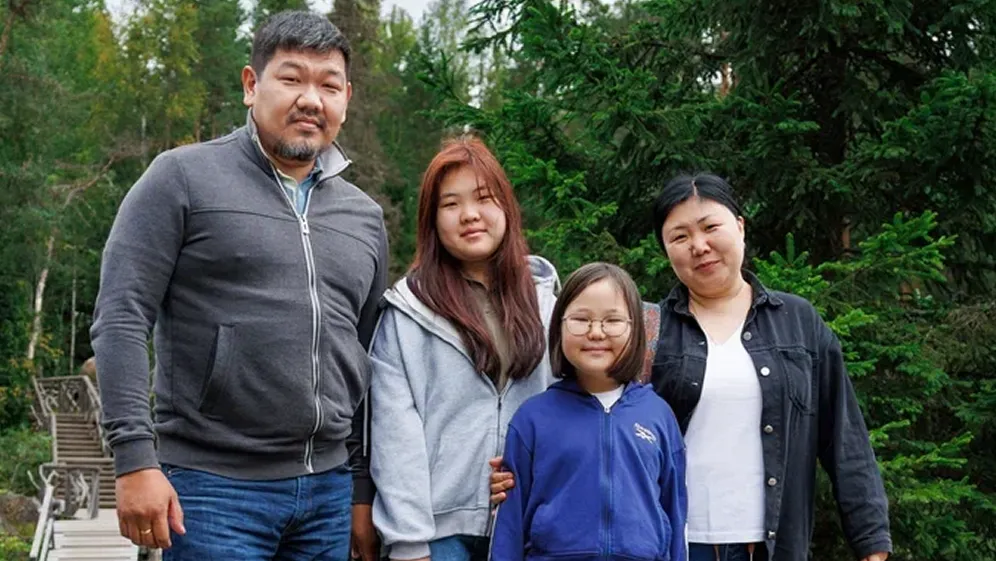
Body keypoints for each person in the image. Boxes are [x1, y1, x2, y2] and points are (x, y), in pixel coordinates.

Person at [89, 10, 388, 560]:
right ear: (252, 85)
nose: (311, 99)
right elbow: (121, 316)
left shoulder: (364, 217)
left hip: (328, 492)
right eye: (292, 78)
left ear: (346, 98)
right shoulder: (181, 178)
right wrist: (133, 459)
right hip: (213, 489)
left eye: (328, 85)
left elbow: (367, 354)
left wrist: (360, 487)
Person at [490, 174, 892, 561]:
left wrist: (871, 538)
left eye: (710, 227)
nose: (699, 246)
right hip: (679, 541)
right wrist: (523, 470)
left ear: (740, 226)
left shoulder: (797, 321)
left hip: (772, 543)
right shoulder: (649, 329)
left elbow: (845, 437)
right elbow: (593, 417)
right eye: (680, 236)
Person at [362, 136, 559, 561]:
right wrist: (408, 542)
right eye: (451, 204)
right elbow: (395, 435)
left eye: (483, 198)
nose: (469, 214)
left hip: (530, 524)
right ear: (432, 221)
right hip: (438, 534)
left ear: (506, 207)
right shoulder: (408, 312)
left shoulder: (547, 304)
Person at [489, 262, 687, 561]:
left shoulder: (658, 415)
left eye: (613, 320)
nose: (596, 333)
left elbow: (675, 510)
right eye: (581, 320)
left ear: (635, 329)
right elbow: (509, 527)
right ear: (558, 327)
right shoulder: (533, 418)